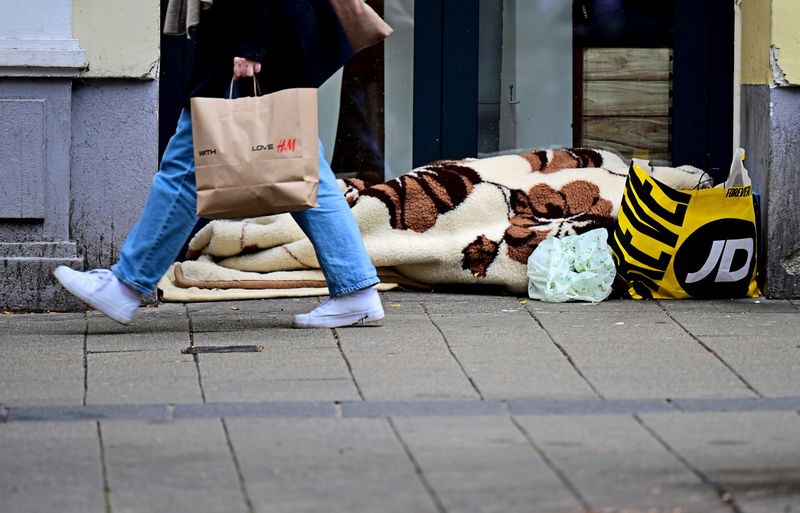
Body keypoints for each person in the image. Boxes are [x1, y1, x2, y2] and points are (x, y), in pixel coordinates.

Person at [54, 0, 389, 329]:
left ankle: (126, 284)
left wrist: (250, 43)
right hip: (268, 26)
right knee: (300, 165)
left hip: (251, 31)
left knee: (188, 168)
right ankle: (355, 287)